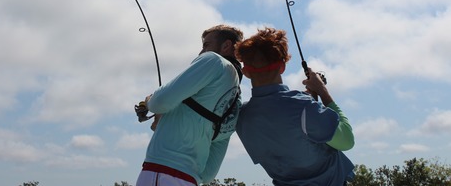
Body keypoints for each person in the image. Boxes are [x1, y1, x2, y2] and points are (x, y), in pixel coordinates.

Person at [235, 27, 355, 185]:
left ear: (246, 72)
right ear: (282, 67)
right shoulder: (304, 107)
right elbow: (346, 140)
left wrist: (310, 99)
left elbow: (289, 135)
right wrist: (322, 92)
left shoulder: (242, 118)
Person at [136, 24, 244, 186]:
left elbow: (160, 102)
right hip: (190, 180)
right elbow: (208, 174)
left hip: (160, 172)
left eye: (206, 45)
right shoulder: (236, 102)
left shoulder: (213, 60)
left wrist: (149, 101)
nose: (201, 52)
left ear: (226, 46)